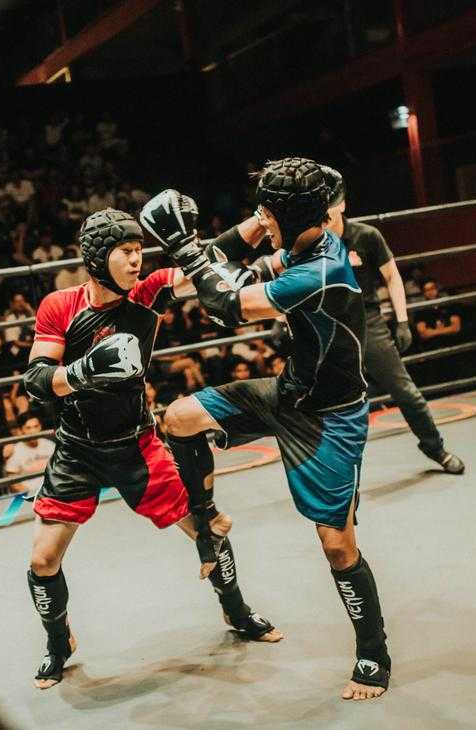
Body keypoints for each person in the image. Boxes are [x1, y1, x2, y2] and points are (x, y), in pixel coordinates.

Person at [141, 158, 391, 700]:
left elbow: (227, 305)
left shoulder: (322, 270)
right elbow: (216, 275)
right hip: (287, 393)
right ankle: (207, 521)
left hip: (332, 420)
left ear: (289, 214)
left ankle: (373, 654)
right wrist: (244, 231)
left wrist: (185, 245)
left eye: (267, 212)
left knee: (337, 546)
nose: (260, 219)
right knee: (180, 418)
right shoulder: (300, 247)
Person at [21, 209, 281, 690]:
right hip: (76, 450)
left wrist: (261, 219)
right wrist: (81, 372)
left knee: (206, 530)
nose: (138, 258)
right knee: (42, 560)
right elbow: (36, 380)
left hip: (136, 445)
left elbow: (211, 259)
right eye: (126, 250)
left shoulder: (147, 292)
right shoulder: (60, 305)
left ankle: (237, 610)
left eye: (140, 248)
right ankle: (58, 642)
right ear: (99, 257)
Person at [322, 167, 464, 473]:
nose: (325, 212)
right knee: (324, 401)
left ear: (342, 204)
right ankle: (329, 470)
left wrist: (402, 320)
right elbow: (288, 281)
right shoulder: (310, 244)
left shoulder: (366, 236)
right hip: (328, 327)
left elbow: (392, 277)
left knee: (404, 391)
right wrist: (284, 320)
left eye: (330, 204)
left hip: (367, 322)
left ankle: (435, 448)